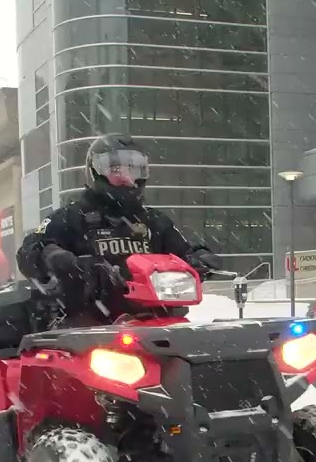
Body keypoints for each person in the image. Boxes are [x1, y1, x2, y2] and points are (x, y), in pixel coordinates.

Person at [16, 133, 220, 322]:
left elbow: (183, 250)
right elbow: (29, 251)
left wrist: (198, 258)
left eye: (133, 170)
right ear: (94, 172)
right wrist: (56, 258)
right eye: (115, 171)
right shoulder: (70, 217)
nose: (126, 178)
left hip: (155, 321)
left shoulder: (154, 221)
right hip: (88, 325)